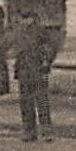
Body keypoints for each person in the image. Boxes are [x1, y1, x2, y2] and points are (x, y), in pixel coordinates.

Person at [11, 9, 56, 142]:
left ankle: (45, 130)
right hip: (25, 69)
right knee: (26, 102)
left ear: (32, 19)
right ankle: (29, 130)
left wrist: (46, 62)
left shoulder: (40, 32)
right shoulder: (19, 32)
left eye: (26, 19)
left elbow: (49, 49)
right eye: (22, 19)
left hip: (37, 68)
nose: (24, 22)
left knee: (41, 100)